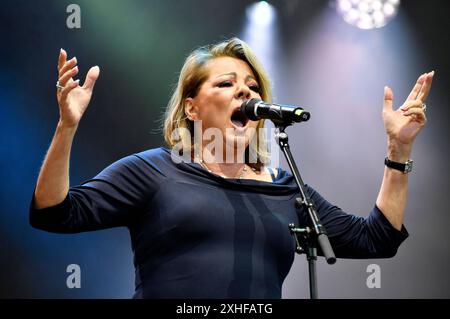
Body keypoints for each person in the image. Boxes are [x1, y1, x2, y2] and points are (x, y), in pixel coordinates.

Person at [29, 38, 434, 299]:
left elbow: (377, 239)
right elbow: (53, 212)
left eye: (253, 87)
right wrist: (67, 126)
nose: (245, 90)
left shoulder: (285, 189)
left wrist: (398, 149)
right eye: (225, 83)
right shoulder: (154, 171)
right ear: (192, 107)